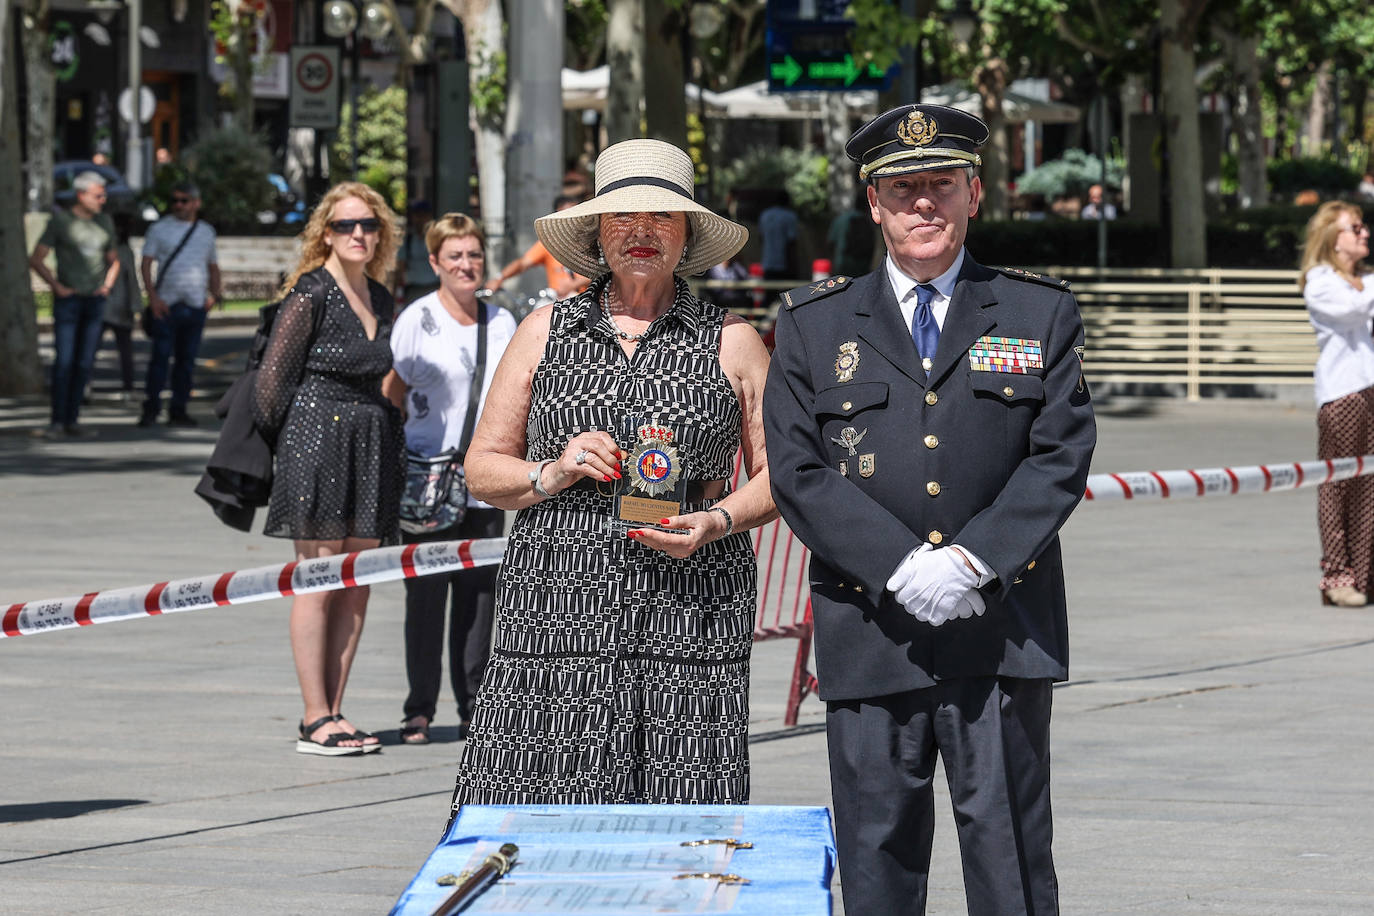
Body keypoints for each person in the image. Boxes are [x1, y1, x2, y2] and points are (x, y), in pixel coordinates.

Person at [763, 104, 1096, 916]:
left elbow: (1060, 455)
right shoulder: (813, 325)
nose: (923, 205)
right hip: (872, 629)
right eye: (902, 188)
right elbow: (799, 468)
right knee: (877, 860)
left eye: (940, 185)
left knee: (1011, 854)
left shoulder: (1035, 313)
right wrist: (902, 565)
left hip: (1000, 626)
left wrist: (973, 560)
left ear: (975, 193)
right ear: (873, 203)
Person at [450, 138, 776, 807]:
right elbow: (482, 469)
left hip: (693, 604)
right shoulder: (546, 329)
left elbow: (783, 475)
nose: (640, 231)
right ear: (596, 232)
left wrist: (718, 520)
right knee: (542, 794)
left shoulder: (732, 339)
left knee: (682, 795)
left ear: (687, 234)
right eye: (622, 216)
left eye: (661, 216)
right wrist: (552, 470)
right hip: (558, 602)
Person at [253, 181, 405, 756]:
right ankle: (313, 716)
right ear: (326, 234)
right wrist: (299, 442)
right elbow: (270, 390)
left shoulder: (383, 297)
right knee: (317, 582)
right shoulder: (310, 294)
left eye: (368, 224)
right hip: (315, 438)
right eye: (346, 225)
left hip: (371, 442)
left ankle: (336, 711)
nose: (358, 234)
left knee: (356, 585)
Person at [381, 214, 519, 745]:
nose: (466, 265)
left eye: (474, 255)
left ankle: (474, 705)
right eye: (454, 256)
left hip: (484, 472)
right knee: (425, 594)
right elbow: (392, 392)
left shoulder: (501, 322)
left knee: (479, 592)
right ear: (434, 261)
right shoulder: (417, 318)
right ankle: (418, 708)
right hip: (426, 477)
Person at [1299, 202, 1374, 607]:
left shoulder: (1364, 280)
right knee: (1338, 484)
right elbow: (1349, 312)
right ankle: (1337, 576)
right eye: (1355, 228)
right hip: (1342, 393)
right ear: (1333, 238)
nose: (1364, 234)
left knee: (1369, 485)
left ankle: (1364, 575)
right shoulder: (1320, 280)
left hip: (1371, 388)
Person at [28, 170, 120, 439]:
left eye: (104, 195)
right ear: (81, 195)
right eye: (97, 195)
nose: (103, 200)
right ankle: (57, 420)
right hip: (69, 301)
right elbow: (36, 258)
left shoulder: (105, 222)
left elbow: (113, 259)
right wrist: (57, 287)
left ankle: (73, 419)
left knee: (84, 363)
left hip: (94, 301)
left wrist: (107, 286)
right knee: (65, 361)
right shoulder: (61, 221)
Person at [138, 181, 222, 428]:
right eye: (174, 200)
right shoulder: (159, 229)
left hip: (195, 303)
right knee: (160, 358)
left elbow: (213, 265)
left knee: (186, 361)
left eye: (184, 200)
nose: (178, 205)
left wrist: (214, 295)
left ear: (196, 203)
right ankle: (151, 408)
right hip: (167, 303)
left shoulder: (206, 231)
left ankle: (179, 409)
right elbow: (146, 264)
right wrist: (152, 298)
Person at [486, 195, 591, 299]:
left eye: (575, 215)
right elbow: (522, 264)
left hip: (587, 300)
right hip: (559, 302)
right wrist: (499, 278)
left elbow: (601, 273)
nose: (571, 220)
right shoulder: (550, 243)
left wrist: (573, 284)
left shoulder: (590, 241)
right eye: (566, 215)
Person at [99, 211, 141, 398]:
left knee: (92, 350)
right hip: (114, 306)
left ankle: (85, 388)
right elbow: (132, 281)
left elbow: (131, 279)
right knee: (124, 351)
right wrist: (135, 306)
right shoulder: (121, 250)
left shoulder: (119, 250)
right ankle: (128, 387)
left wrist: (135, 306)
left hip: (109, 306)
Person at [827, 188, 877, 278]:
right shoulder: (869, 221)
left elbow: (831, 244)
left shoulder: (840, 219)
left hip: (841, 265)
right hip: (861, 267)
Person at [396, 199, 438, 304]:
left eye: (424, 215)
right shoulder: (408, 238)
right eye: (417, 215)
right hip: (413, 290)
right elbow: (400, 266)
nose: (420, 219)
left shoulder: (437, 238)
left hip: (435, 287)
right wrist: (395, 291)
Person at [758, 189, 799, 281]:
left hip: (767, 263)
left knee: (769, 293)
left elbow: (761, 238)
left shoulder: (765, 215)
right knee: (787, 294)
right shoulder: (790, 216)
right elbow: (791, 242)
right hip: (784, 265)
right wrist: (793, 266)